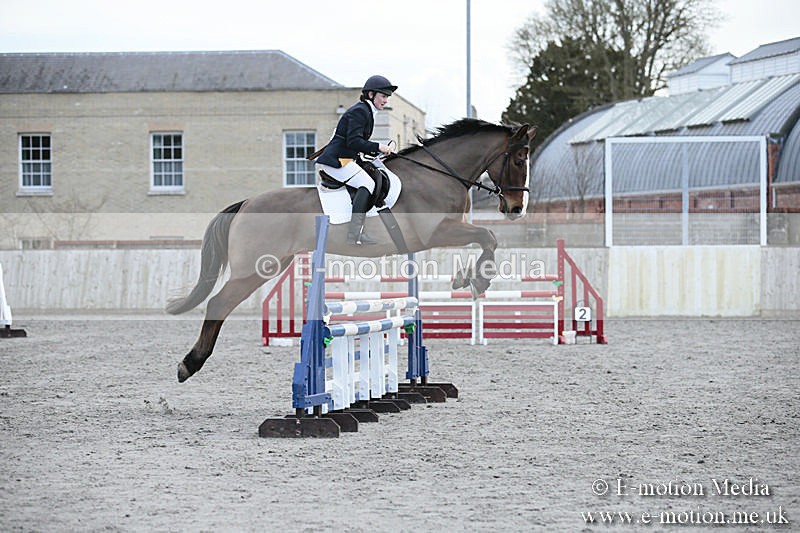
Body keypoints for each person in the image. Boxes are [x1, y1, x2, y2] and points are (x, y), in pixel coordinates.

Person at [314, 75, 397, 245]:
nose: (386, 100)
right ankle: (354, 234)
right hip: (336, 161)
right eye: (383, 96)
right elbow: (354, 141)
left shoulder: (367, 111)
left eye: (387, 97)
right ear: (371, 95)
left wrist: (375, 153)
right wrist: (379, 147)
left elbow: (356, 144)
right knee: (367, 183)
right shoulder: (360, 111)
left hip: (346, 158)